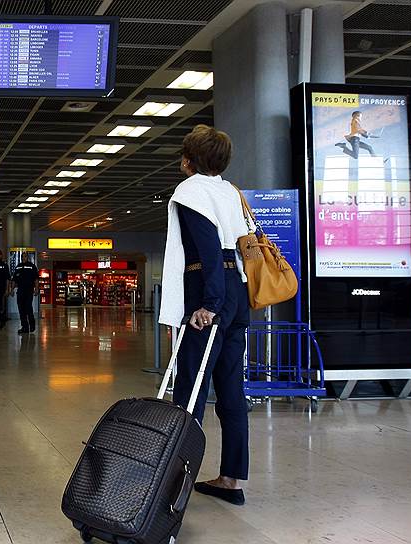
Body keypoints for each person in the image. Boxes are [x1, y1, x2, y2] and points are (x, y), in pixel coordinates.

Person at [159, 124, 251, 506]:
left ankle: (174, 488)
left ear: (188, 160)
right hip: (238, 292)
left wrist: (209, 305)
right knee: (231, 389)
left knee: (190, 390)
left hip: (210, 292)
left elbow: (210, 250)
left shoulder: (191, 191)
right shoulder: (231, 192)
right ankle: (231, 479)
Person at [11, 254, 39, 334]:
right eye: (22, 257)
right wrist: (12, 289)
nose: (24, 258)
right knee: (21, 309)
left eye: (25, 256)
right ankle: (25, 327)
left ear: (28, 257)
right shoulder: (18, 267)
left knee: (28, 308)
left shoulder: (32, 266)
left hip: (29, 290)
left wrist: (36, 289)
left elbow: (36, 279)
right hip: (20, 290)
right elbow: (14, 279)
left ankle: (32, 326)